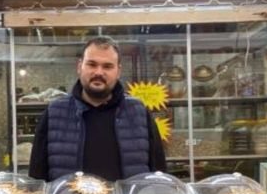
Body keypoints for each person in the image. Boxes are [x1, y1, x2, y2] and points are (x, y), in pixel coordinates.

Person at [29, 36, 167, 181]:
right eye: (92, 64)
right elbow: (37, 179)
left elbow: (159, 175)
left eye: (107, 66)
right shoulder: (55, 113)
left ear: (118, 71)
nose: (99, 72)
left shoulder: (138, 113)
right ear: (79, 66)